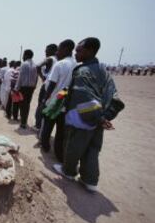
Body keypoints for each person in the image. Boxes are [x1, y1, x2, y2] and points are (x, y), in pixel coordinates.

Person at [53, 37, 125, 192]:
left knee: (74, 145)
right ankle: (90, 180)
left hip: (83, 118)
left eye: (79, 50)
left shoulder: (82, 72)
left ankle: (69, 172)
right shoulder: (103, 70)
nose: (76, 53)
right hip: (99, 118)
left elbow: (84, 97)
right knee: (92, 149)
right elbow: (113, 95)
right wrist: (104, 117)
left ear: (90, 51)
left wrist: (97, 117)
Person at [40, 40, 77, 162]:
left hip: (54, 101)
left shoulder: (60, 64)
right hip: (66, 103)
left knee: (47, 127)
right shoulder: (77, 65)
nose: (57, 52)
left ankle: (45, 147)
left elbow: (51, 84)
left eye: (59, 49)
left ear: (66, 49)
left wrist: (44, 100)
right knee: (61, 132)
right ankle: (58, 154)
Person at [33, 44, 58, 131]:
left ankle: (38, 126)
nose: (45, 52)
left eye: (47, 50)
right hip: (54, 86)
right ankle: (42, 126)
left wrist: (42, 77)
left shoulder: (50, 58)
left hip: (47, 85)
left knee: (41, 104)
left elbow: (38, 66)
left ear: (53, 51)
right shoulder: (59, 60)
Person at [14, 49, 38, 129]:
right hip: (31, 88)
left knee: (22, 105)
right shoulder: (35, 65)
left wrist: (16, 88)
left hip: (23, 88)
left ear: (26, 55)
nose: (23, 57)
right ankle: (24, 120)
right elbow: (36, 78)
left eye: (24, 55)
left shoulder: (24, 64)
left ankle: (23, 122)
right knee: (27, 105)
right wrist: (34, 86)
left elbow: (20, 78)